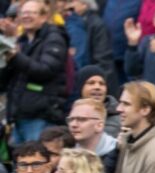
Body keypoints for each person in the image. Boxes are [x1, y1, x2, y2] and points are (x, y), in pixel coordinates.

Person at [0, 0, 69, 143]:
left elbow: (45, 70)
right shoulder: (22, 41)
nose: (26, 16)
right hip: (19, 116)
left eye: (31, 12)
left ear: (44, 17)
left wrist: (15, 56)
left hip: (40, 116)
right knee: (19, 163)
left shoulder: (54, 37)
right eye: (23, 13)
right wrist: (8, 44)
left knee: (38, 160)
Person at [62, 0, 118, 95]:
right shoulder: (73, 21)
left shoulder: (96, 24)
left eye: (73, 2)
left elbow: (103, 57)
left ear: (84, 5)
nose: (69, 5)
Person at [75, 65, 122, 137]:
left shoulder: (118, 117)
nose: (97, 87)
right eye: (91, 83)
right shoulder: (72, 115)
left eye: (102, 83)